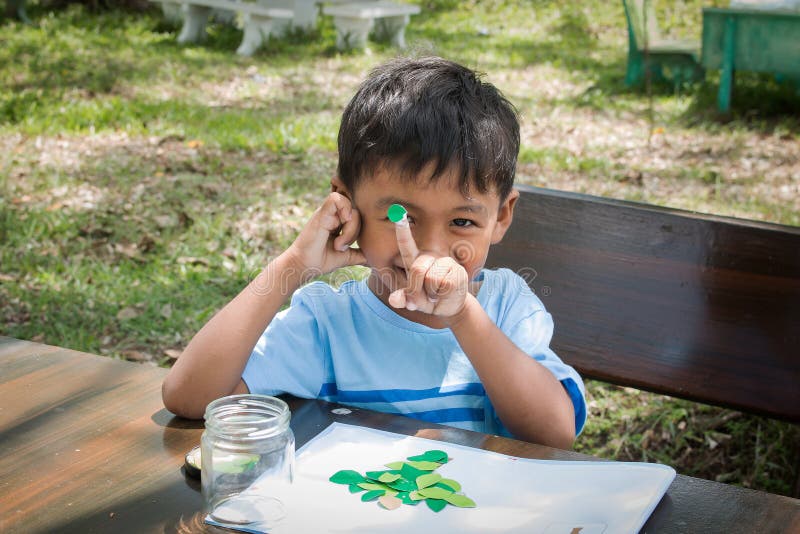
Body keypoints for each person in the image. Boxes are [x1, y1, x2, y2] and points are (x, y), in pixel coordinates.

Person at [162, 56, 586, 449]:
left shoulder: (508, 306)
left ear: (501, 216)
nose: (430, 250)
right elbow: (190, 397)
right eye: (401, 216)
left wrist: (463, 316)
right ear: (346, 203)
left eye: (462, 221)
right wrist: (292, 267)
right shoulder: (328, 323)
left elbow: (555, 434)